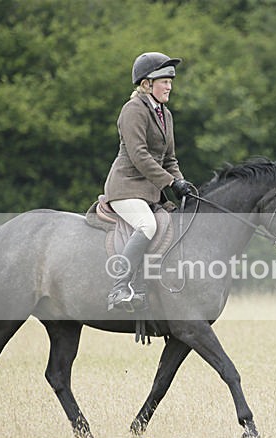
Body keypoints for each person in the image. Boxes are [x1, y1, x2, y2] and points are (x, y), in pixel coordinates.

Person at [104, 52, 195, 311]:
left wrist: (181, 183)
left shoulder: (166, 115)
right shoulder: (133, 110)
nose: (169, 86)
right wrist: (169, 183)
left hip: (150, 192)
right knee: (147, 224)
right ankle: (118, 288)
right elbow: (139, 155)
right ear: (146, 84)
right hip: (126, 187)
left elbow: (170, 159)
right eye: (163, 80)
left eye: (170, 81)